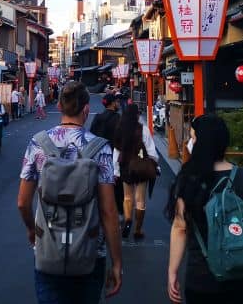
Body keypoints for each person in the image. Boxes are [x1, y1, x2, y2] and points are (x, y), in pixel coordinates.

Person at [18, 80, 122, 303]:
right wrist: (117, 262)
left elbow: (22, 203)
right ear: (86, 109)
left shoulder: (38, 144)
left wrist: (31, 230)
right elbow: (109, 212)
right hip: (90, 252)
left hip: (48, 250)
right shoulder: (100, 147)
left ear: (58, 106)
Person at [165, 114, 243, 303]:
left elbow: (180, 228)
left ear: (202, 143)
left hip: (202, 281)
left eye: (193, 138)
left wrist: (172, 272)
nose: (190, 142)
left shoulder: (189, 180)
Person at [114, 102, 159, 241]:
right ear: (137, 115)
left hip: (125, 166)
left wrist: (115, 170)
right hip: (141, 166)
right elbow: (151, 150)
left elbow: (117, 151)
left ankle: (128, 219)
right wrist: (155, 164)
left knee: (127, 197)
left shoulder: (120, 129)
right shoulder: (143, 129)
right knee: (140, 200)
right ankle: (138, 230)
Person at [89, 92, 125, 217]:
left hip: (98, 156)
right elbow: (121, 139)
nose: (118, 104)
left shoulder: (97, 117)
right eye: (117, 102)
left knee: (99, 185)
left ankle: (99, 212)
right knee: (116, 187)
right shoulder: (118, 118)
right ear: (112, 103)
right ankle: (118, 212)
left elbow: (91, 137)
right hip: (114, 156)